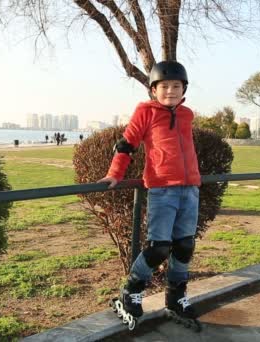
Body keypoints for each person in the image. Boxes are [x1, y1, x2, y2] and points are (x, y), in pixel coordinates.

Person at [98, 61, 201, 328]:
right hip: (163, 189)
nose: (170, 91)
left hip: (190, 189)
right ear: (153, 90)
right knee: (159, 248)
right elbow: (126, 144)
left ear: (184, 89)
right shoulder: (145, 111)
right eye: (164, 86)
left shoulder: (187, 114)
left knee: (185, 246)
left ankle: (176, 297)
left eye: (176, 86)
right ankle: (130, 291)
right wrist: (115, 174)